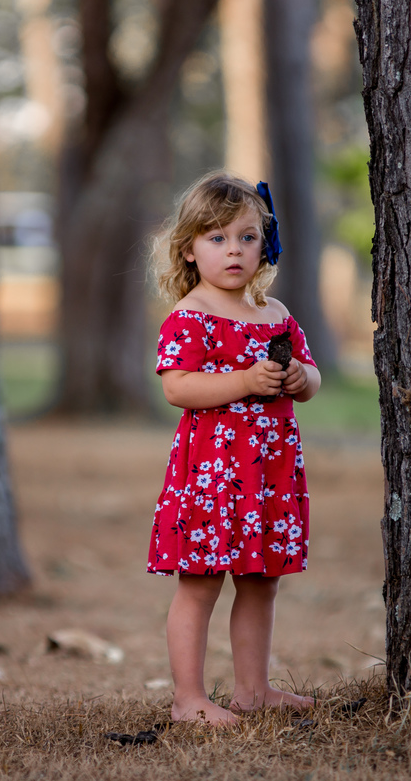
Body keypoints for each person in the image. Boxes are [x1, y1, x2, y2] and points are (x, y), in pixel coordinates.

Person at [148, 171, 321, 726]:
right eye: (217, 238)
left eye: (247, 237)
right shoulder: (190, 315)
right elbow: (178, 388)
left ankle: (253, 690)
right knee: (199, 586)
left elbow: (312, 378)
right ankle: (188, 699)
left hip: (266, 475)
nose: (234, 250)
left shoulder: (275, 313)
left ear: (264, 245)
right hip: (214, 475)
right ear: (189, 249)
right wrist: (245, 381)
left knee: (261, 582)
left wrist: (299, 378)